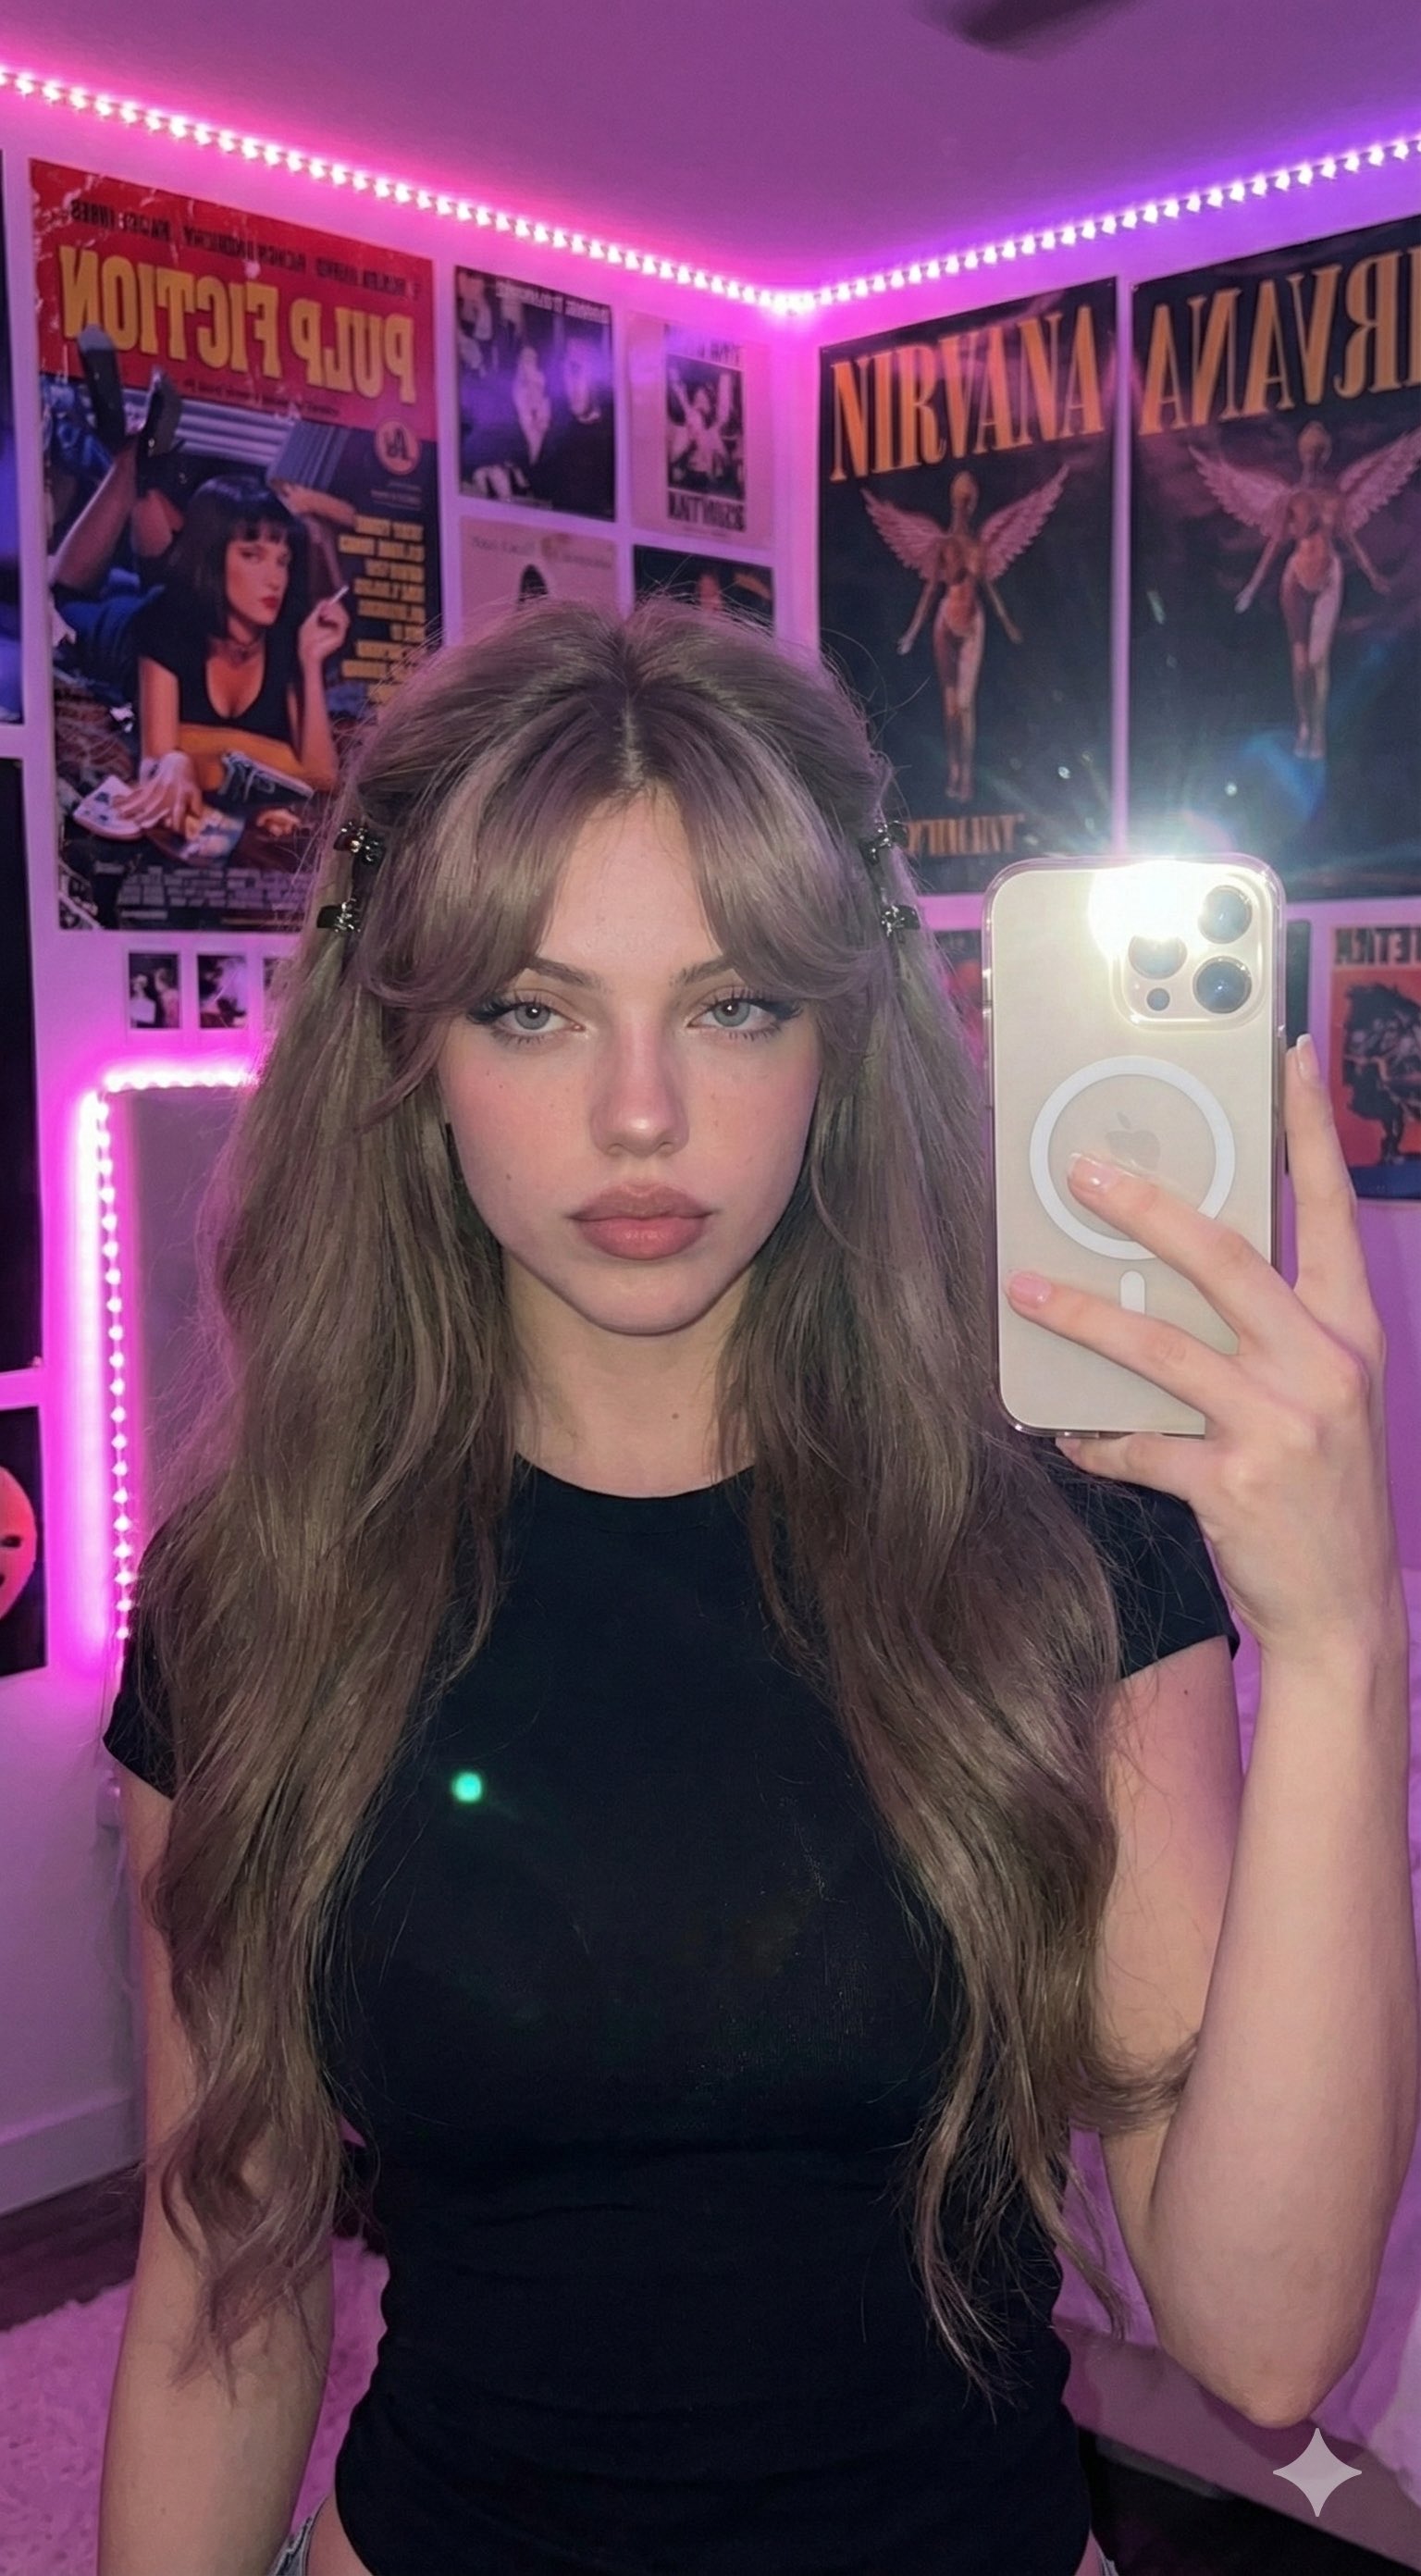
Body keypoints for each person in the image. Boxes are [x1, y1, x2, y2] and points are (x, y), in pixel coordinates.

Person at [99, 600, 1415, 2576]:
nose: (642, 1112)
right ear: (410, 1042)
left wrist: (1337, 1646)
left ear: (838, 1037)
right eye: (533, 1009)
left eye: (730, 1007)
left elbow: (1262, 2335)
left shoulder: (1061, 1551)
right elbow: (224, 2276)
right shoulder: (260, 1592)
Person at [110, 477, 350, 838]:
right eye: (252, 555)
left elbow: (321, 778)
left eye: (282, 561)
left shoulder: (288, 637)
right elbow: (157, 761)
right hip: (112, 626)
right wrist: (181, 758)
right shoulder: (168, 621)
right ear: (213, 557)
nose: (274, 580)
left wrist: (311, 661)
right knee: (90, 597)